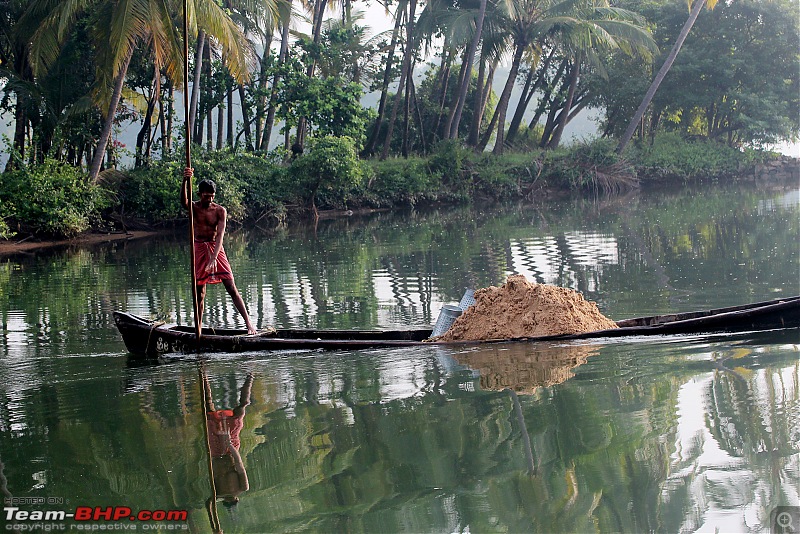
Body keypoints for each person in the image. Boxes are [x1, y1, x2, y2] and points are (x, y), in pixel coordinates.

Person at [181, 167, 257, 334]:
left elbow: (221, 235)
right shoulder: (194, 207)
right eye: (207, 195)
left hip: (216, 248)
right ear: (200, 194)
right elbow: (183, 201)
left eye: (212, 195)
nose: (210, 198)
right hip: (199, 248)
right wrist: (186, 180)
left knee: (231, 287)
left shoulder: (220, 211)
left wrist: (214, 257)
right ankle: (198, 329)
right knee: (200, 293)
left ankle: (249, 325)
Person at [204, 372, 254, 508]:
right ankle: (250, 376)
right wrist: (229, 444)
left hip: (217, 452)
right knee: (240, 410)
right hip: (228, 451)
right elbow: (239, 464)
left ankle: (204, 376)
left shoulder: (217, 494)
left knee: (209, 411)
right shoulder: (242, 488)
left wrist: (215, 500)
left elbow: (208, 503)